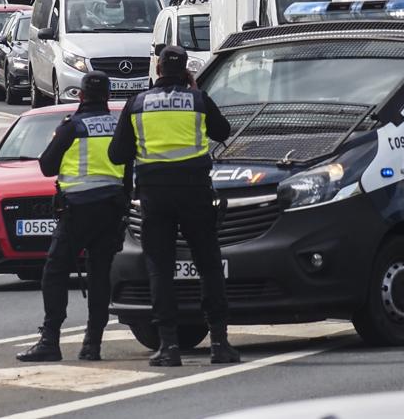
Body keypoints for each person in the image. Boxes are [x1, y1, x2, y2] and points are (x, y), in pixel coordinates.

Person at [109, 44, 238, 367]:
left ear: (158, 70)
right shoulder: (197, 99)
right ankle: (219, 343)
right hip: (195, 192)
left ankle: (168, 346)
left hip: (155, 196)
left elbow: (117, 154)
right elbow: (223, 131)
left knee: (160, 269)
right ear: (185, 73)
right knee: (208, 264)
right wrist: (194, 92)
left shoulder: (137, 104)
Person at [17, 70, 127, 363]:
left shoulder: (72, 127)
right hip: (112, 211)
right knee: (100, 275)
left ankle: (50, 339)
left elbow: (46, 166)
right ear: (107, 95)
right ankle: (93, 344)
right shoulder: (118, 126)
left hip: (78, 210)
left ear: (80, 95)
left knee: (54, 271)